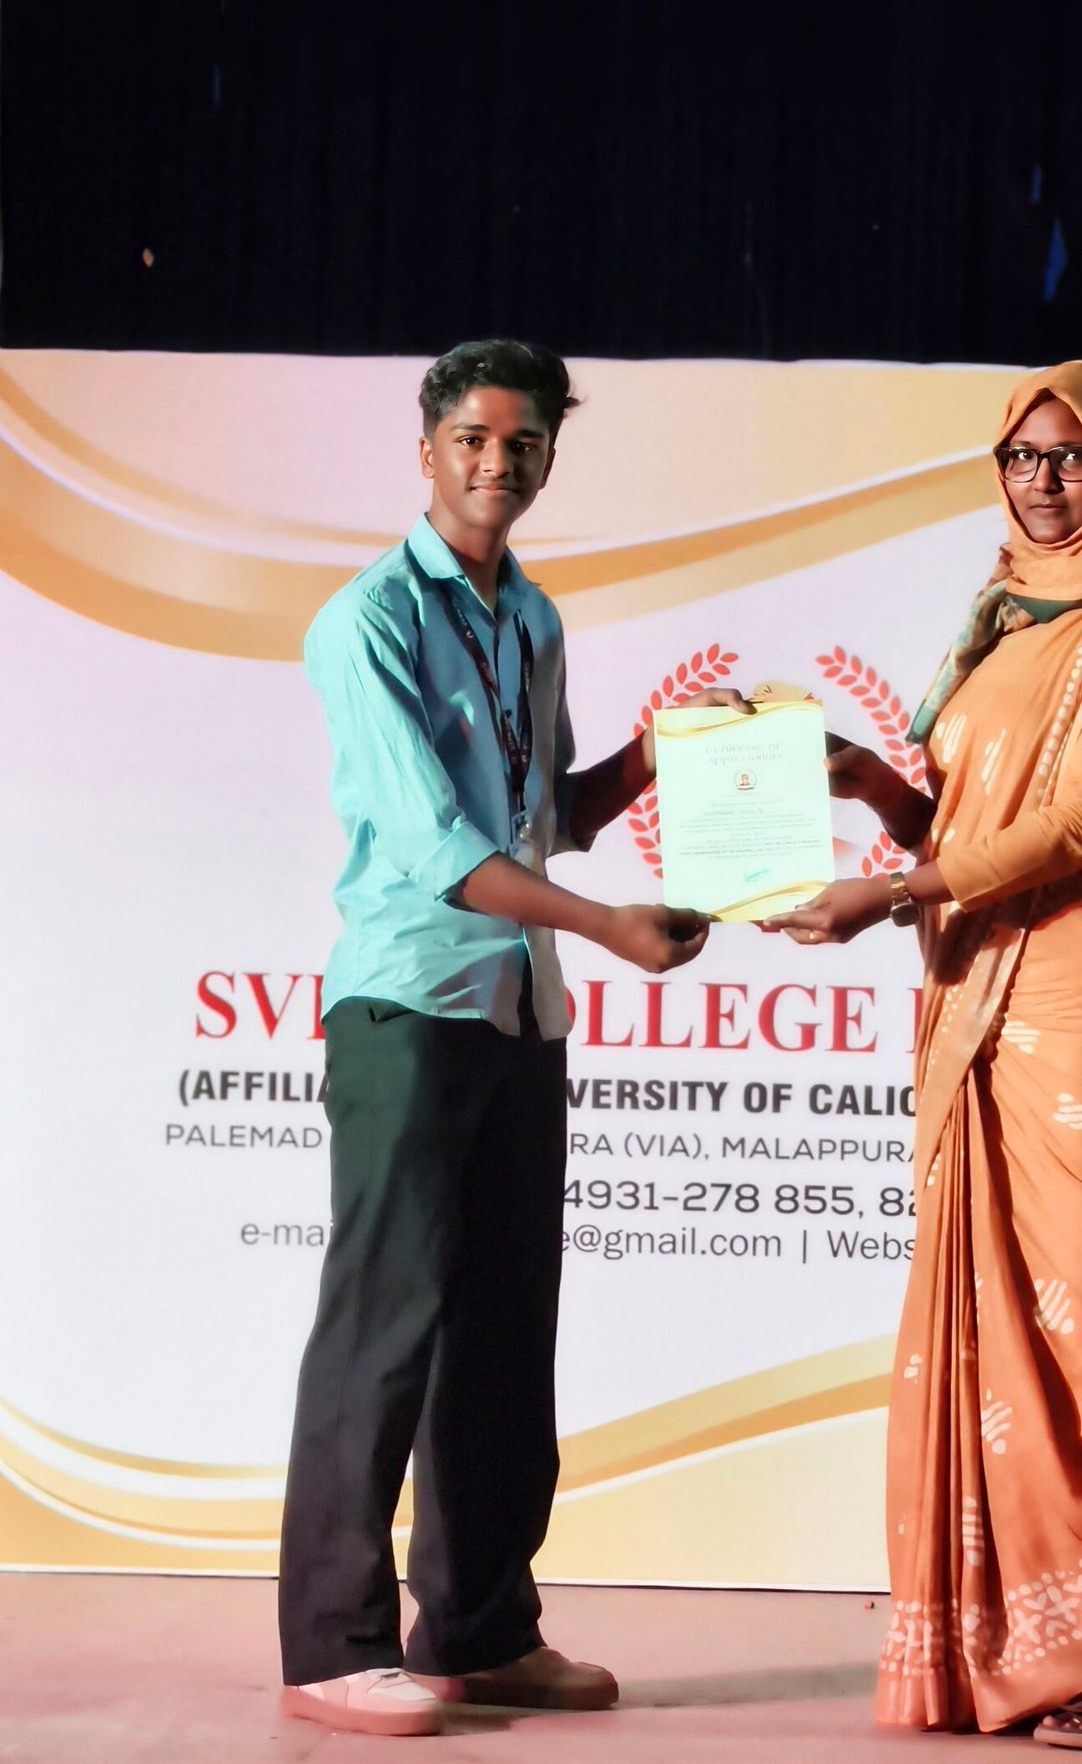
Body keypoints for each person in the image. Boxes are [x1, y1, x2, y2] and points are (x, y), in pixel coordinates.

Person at [763, 361, 1082, 1750]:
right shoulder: (1000, 616)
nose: (1046, 482)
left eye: (1073, 456)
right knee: (1007, 1340)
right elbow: (972, 823)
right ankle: (1028, 1653)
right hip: (981, 996)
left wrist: (890, 896)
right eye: (1024, 458)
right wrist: (874, 787)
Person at [279, 341, 729, 1738]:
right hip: (408, 1007)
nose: (497, 462)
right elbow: (435, 847)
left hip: (521, 1010)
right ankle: (332, 1645)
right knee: (385, 1327)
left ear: (547, 457)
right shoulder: (367, 617)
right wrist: (605, 929)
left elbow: (545, 818)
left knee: (504, 1334)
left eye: (523, 442)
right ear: (427, 449)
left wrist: (660, 755)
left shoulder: (531, 614)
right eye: (473, 438)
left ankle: (479, 1631)